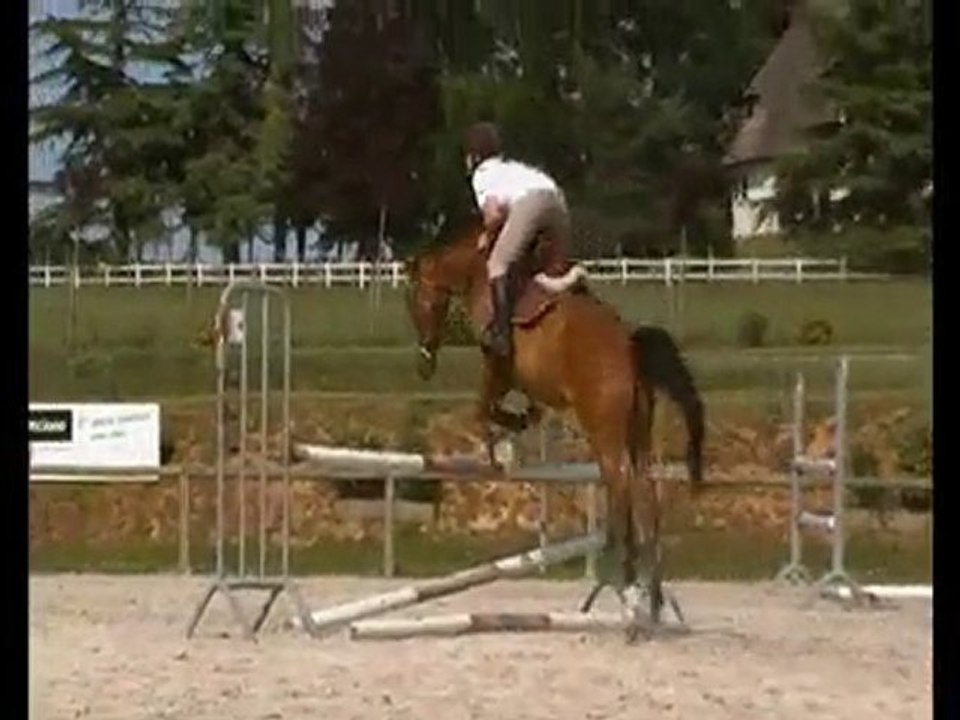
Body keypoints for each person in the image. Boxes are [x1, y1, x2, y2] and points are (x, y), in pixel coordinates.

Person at [462, 121, 572, 358]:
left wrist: (486, 235)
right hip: (558, 203)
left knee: (497, 265)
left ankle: (502, 335)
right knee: (548, 269)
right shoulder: (513, 167)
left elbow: (493, 215)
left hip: (531, 204)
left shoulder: (482, 175)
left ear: (473, 156)